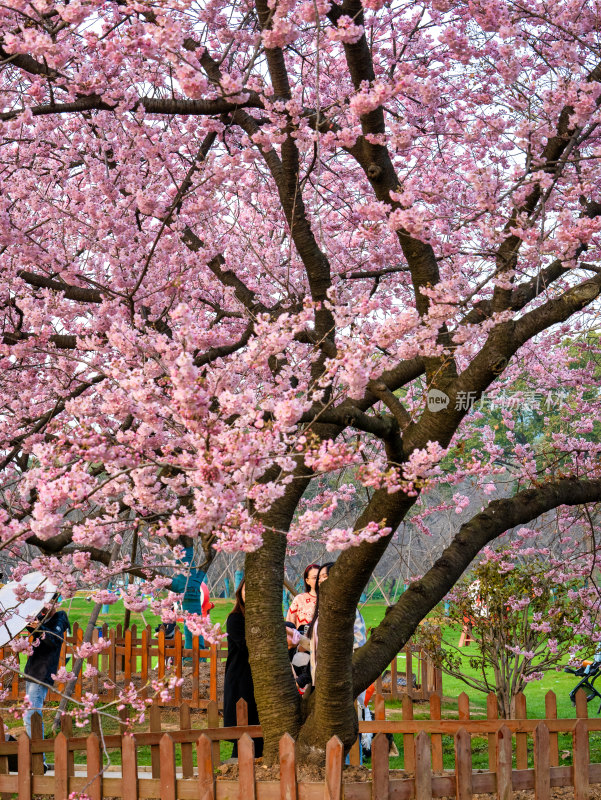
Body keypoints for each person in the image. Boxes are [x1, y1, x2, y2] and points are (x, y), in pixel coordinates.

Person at [223, 579, 263, 758]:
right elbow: (247, 645)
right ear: (240, 593)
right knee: (244, 725)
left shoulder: (264, 617)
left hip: (259, 677)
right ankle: (239, 763)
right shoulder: (235, 618)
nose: (250, 594)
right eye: (247, 590)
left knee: (257, 723)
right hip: (241, 677)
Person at [24, 599, 70, 749]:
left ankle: (39, 759)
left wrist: (40, 627)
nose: (43, 607)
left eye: (47, 604)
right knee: (28, 715)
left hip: (42, 673)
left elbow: (54, 640)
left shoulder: (59, 619)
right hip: (32, 671)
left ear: (54, 604)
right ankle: (33, 755)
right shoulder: (42, 619)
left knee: (33, 716)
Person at [286, 563, 319, 636]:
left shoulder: (331, 599)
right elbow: (290, 624)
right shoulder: (299, 599)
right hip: (303, 643)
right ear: (307, 581)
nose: (318, 580)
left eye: (320, 577)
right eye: (314, 577)